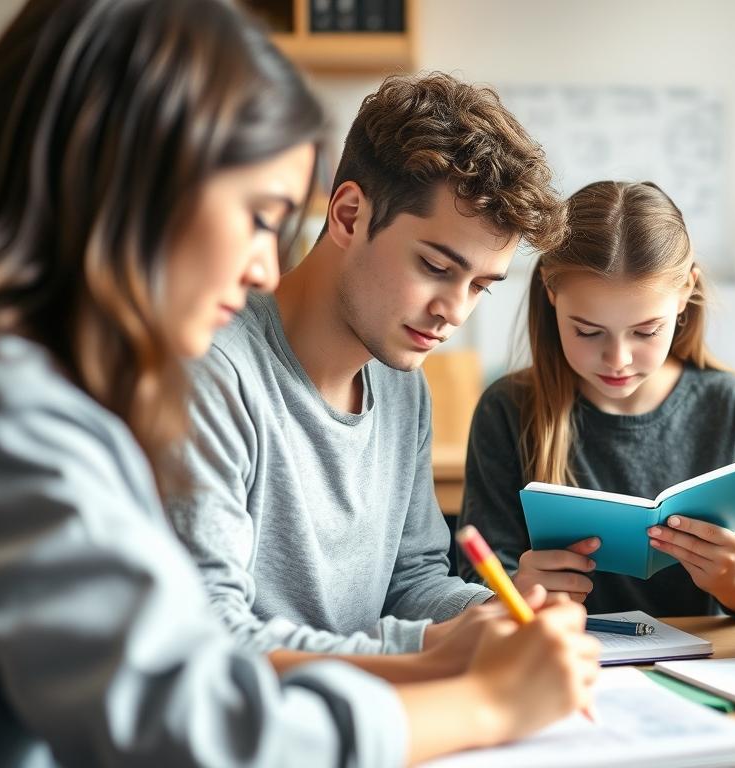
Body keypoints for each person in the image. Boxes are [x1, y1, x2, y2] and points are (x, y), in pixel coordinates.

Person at [0, 1, 596, 764]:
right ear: (139, 189)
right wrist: (477, 692)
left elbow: (407, 580)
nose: (266, 267)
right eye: (260, 215)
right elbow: (191, 705)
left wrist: (477, 630)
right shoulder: (30, 412)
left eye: (482, 286)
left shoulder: (58, 397)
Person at [164, 70, 569, 660]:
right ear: (349, 214)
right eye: (435, 267)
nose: (453, 312)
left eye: (480, 286)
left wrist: (492, 615)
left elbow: (410, 582)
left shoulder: (403, 385)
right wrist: (435, 645)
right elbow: (211, 637)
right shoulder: (213, 371)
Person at [458, 180, 735, 616]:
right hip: (560, 658)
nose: (618, 359)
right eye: (587, 331)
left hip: (706, 663)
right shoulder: (507, 410)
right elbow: (477, 581)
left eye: (646, 331)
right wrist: (517, 590)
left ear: (685, 294)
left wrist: (734, 577)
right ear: (550, 293)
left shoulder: (731, 404)